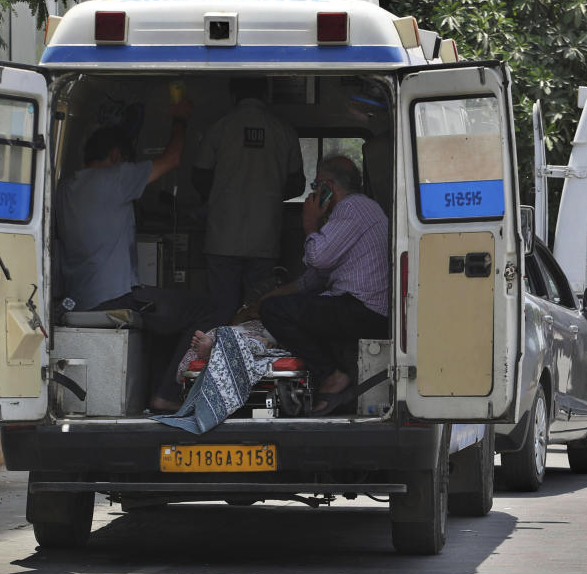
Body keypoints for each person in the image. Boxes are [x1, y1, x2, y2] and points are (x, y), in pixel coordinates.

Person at [56, 100, 227, 413]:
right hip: (116, 300)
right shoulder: (116, 177)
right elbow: (172, 159)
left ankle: (156, 392)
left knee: (164, 316)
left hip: (79, 300)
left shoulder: (65, 188)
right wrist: (180, 120)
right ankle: (168, 394)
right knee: (207, 308)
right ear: (117, 157)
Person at [251, 156, 389, 415]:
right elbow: (312, 279)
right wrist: (272, 297)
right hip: (358, 307)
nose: (314, 193)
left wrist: (310, 223)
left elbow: (318, 257)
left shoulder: (353, 207)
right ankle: (329, 381)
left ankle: (332, 375)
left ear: (327, 186)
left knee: (276, 312)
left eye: (316, 186)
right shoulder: (355, 212)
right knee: (277, 307)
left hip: (362, 308)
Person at [193, 78, 304, 319]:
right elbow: (297, 184)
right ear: (266, 95)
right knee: (257, 308)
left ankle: (219, 353)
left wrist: (222, 193)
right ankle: (252, 354)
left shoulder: (220, 127)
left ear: (233, 96)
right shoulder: (284, 130)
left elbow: (199, 176)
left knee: (221, 311)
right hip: (265, 237)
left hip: (221, 237)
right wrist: (268, 192)